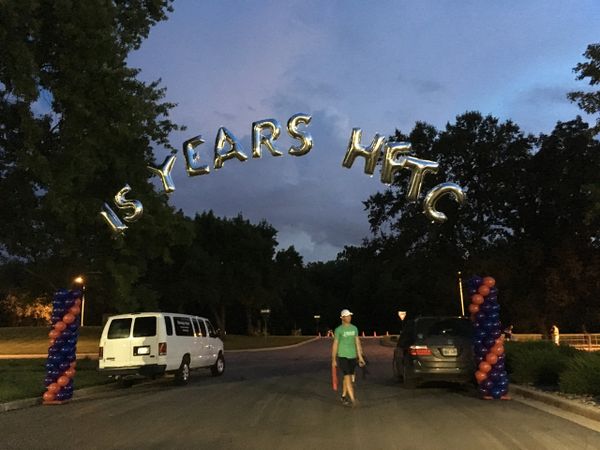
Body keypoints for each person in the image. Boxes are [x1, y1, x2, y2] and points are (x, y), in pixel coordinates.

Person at [331, 309, 365, 407]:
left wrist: (360, 357)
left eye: (350, 315)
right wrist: (333, 359)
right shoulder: (338, 330)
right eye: (347, 316)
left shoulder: (354, 328)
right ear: (342, 318)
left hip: (352, 356)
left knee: (349, 377)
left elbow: (357, 343)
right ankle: (353, 399)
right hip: (343, 356)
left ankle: (343, 396)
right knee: (347, 376)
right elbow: (335, 345)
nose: (349, 317)